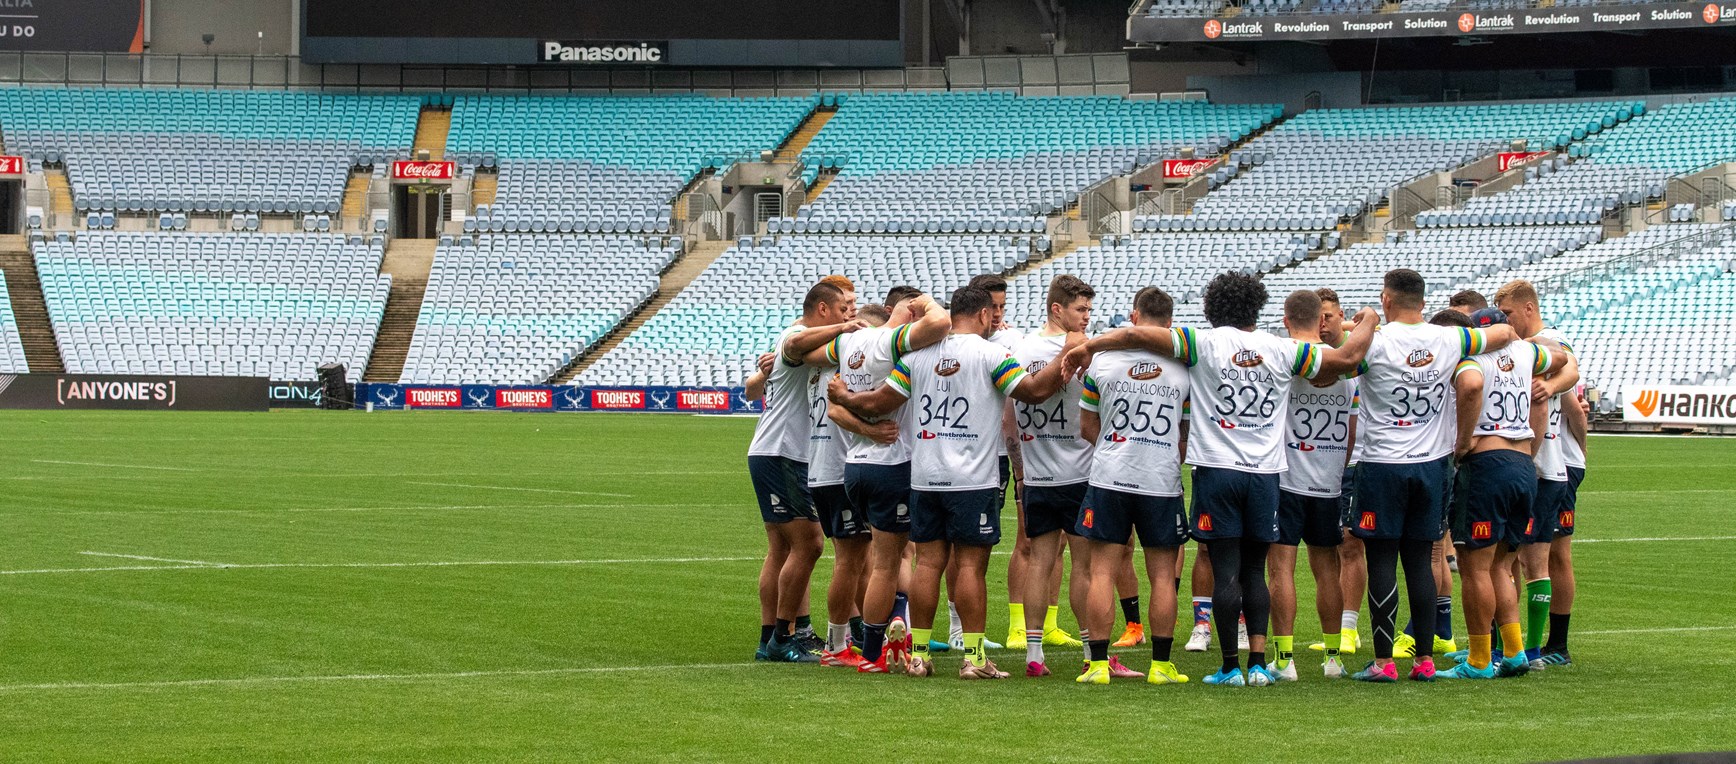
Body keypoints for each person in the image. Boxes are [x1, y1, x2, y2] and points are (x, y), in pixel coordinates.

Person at [1062, 271, 1375, 687]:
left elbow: (1137, 337)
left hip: (1215, 469)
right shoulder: (1282, 349)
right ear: (1257, 309)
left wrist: (1091, 344)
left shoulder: (1201, 343)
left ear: (1211, 308)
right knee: (1256, 569)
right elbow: (1348, 359)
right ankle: (1260, 663)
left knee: (1223, 568)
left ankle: (1228, 666)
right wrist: (1369, 318)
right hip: (1264, 474)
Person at [829, 285, 1076, 679]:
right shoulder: (992, 354)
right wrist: (1068, 351)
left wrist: (844, 396)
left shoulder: (915, 358)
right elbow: (1034, 391)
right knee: (970, 569)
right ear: (982, 315)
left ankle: (920, 655)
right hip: (972, 479)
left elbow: (877, 403)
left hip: (925, 477)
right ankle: (974, 658)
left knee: (927, 564)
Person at [1349, 268, 1523, 683]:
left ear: (1387, 300)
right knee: (1421, 561)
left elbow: (1338, 350)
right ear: (1424, 303)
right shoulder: (1449, 337)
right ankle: (1425, 660)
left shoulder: (1376, 340)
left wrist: (1367, 320)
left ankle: (1383, 662)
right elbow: (1501, 336)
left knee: (1382, 562)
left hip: (1383, 464)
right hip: (1432, 465)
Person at [1438, 303, 1574, 680]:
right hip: (1522, 465)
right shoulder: (1527, 352)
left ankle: (1480, 659)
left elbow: (1471, 386)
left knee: (1474, 567)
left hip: (1486, 465)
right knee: (1502, 565)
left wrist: (1463, 442)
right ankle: (1514, 652)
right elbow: (1561, 357)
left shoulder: (1472, 356)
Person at [820, 286, 952, 673]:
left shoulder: (848, 346)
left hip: (855, 464)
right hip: (893, 463)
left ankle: (882, 635)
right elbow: (939, 323)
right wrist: (924, 303)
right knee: (893, 560)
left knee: (883, 558)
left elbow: (832, 399)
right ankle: (879, 646)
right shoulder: (889, 345)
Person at [1010, 276, 1131, 676]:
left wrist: (1021, 471)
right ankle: (1091, 652)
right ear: (1056, 309)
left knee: (1040, 562)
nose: (1086, 318)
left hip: (1039, 473)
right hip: (1078, 472)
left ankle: (1033, 654)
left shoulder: (1019, 348)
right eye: (1081, 310)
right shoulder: (1083, 351)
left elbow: (1010, 415)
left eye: (1089, 311)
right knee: (1085, 567)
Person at [1072, 287, 1194, 685]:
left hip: (1110, 476)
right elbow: (1185, 434)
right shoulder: (1182, 369)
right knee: (1162, 575)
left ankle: (1099, 666)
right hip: (1160, 480)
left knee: (1102, 571)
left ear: (1134, 316)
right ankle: (1160, 666)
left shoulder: (1103, 363)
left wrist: (1118, 444)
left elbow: (1087, 427)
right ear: (1170, 324)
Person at [747, 281, 865, 663]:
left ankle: (773, 637)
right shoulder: (797, 334)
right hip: (783, 452)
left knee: (782, 548)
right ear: (824, 309)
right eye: (843, 308)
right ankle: (782, 636)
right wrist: (844, 330)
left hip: (780, 452)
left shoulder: (804, 339)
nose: (850, 314)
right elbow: (795, 347)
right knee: (810, 544)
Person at [1267, 290, 1358, 681]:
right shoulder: (1347, 372)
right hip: (1328, 481)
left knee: (1281, 570)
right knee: (1327, 571)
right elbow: (1352, 434)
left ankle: (1285, 660)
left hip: (1288, 479)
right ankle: (1333, 658)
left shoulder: (1286, 362)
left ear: (1289, 319)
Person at [1493, 281, 1582, 670]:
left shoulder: (1548, 341)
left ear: (1528, 308)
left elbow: (1571, 372)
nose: (1505, 321)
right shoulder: (1520, 350)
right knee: (1514, 557)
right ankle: (1514, 645)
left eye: (1509, 313)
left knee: (1542, 557)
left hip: (1549, 464)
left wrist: (1550, 384)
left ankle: (1543, 647)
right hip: (1543, 463)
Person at [1393, 309, 1470, 661]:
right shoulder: (1458, 368)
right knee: (1439, 549)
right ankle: (1443, 630)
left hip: (1441, 459)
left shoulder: (1459, 371)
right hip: (1444, 460)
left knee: (1432, 552)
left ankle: (1422, 630)